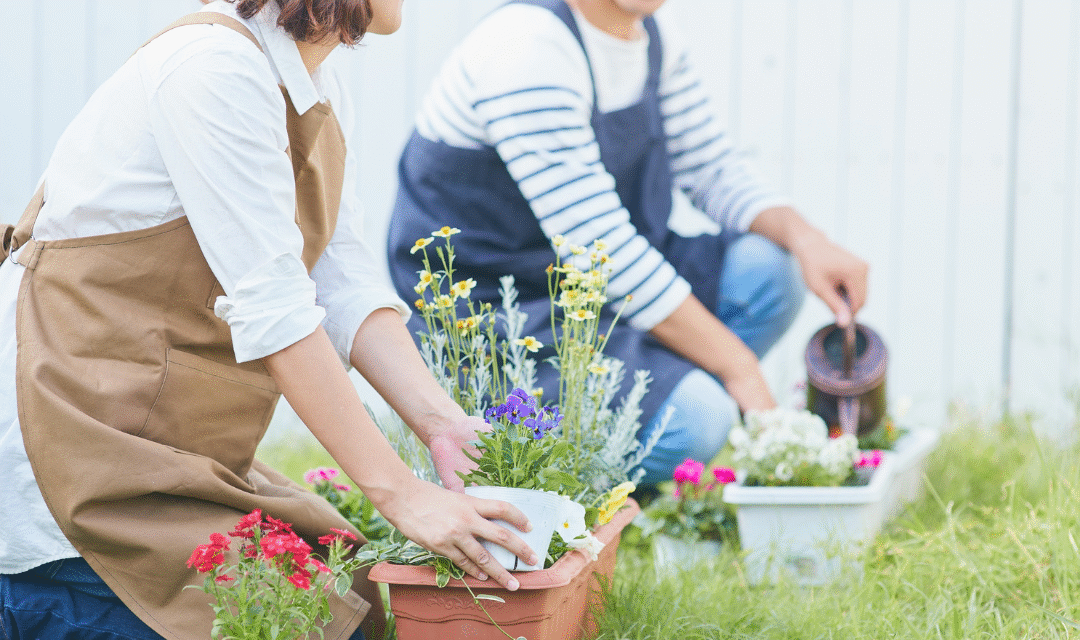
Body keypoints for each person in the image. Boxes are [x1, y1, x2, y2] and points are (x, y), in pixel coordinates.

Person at [0, 1, 540, 639]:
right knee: (303, 624)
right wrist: (402, 495)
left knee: (352, 599)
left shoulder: (307, 80)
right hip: (69, 451)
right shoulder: (211, 69)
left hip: (161, 441)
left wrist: (441, 424)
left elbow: (338, 279)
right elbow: (277, 309)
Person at [386, 0, 869, 487]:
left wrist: (808, 240)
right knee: (698, 419)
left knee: (769, 270)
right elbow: (603, 248)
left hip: (595, 291)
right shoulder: (528, 46)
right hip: (502, 317)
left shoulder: (651, 34)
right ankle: (562, 484)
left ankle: (650, 407)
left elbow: (711, 169)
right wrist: (738, 369)